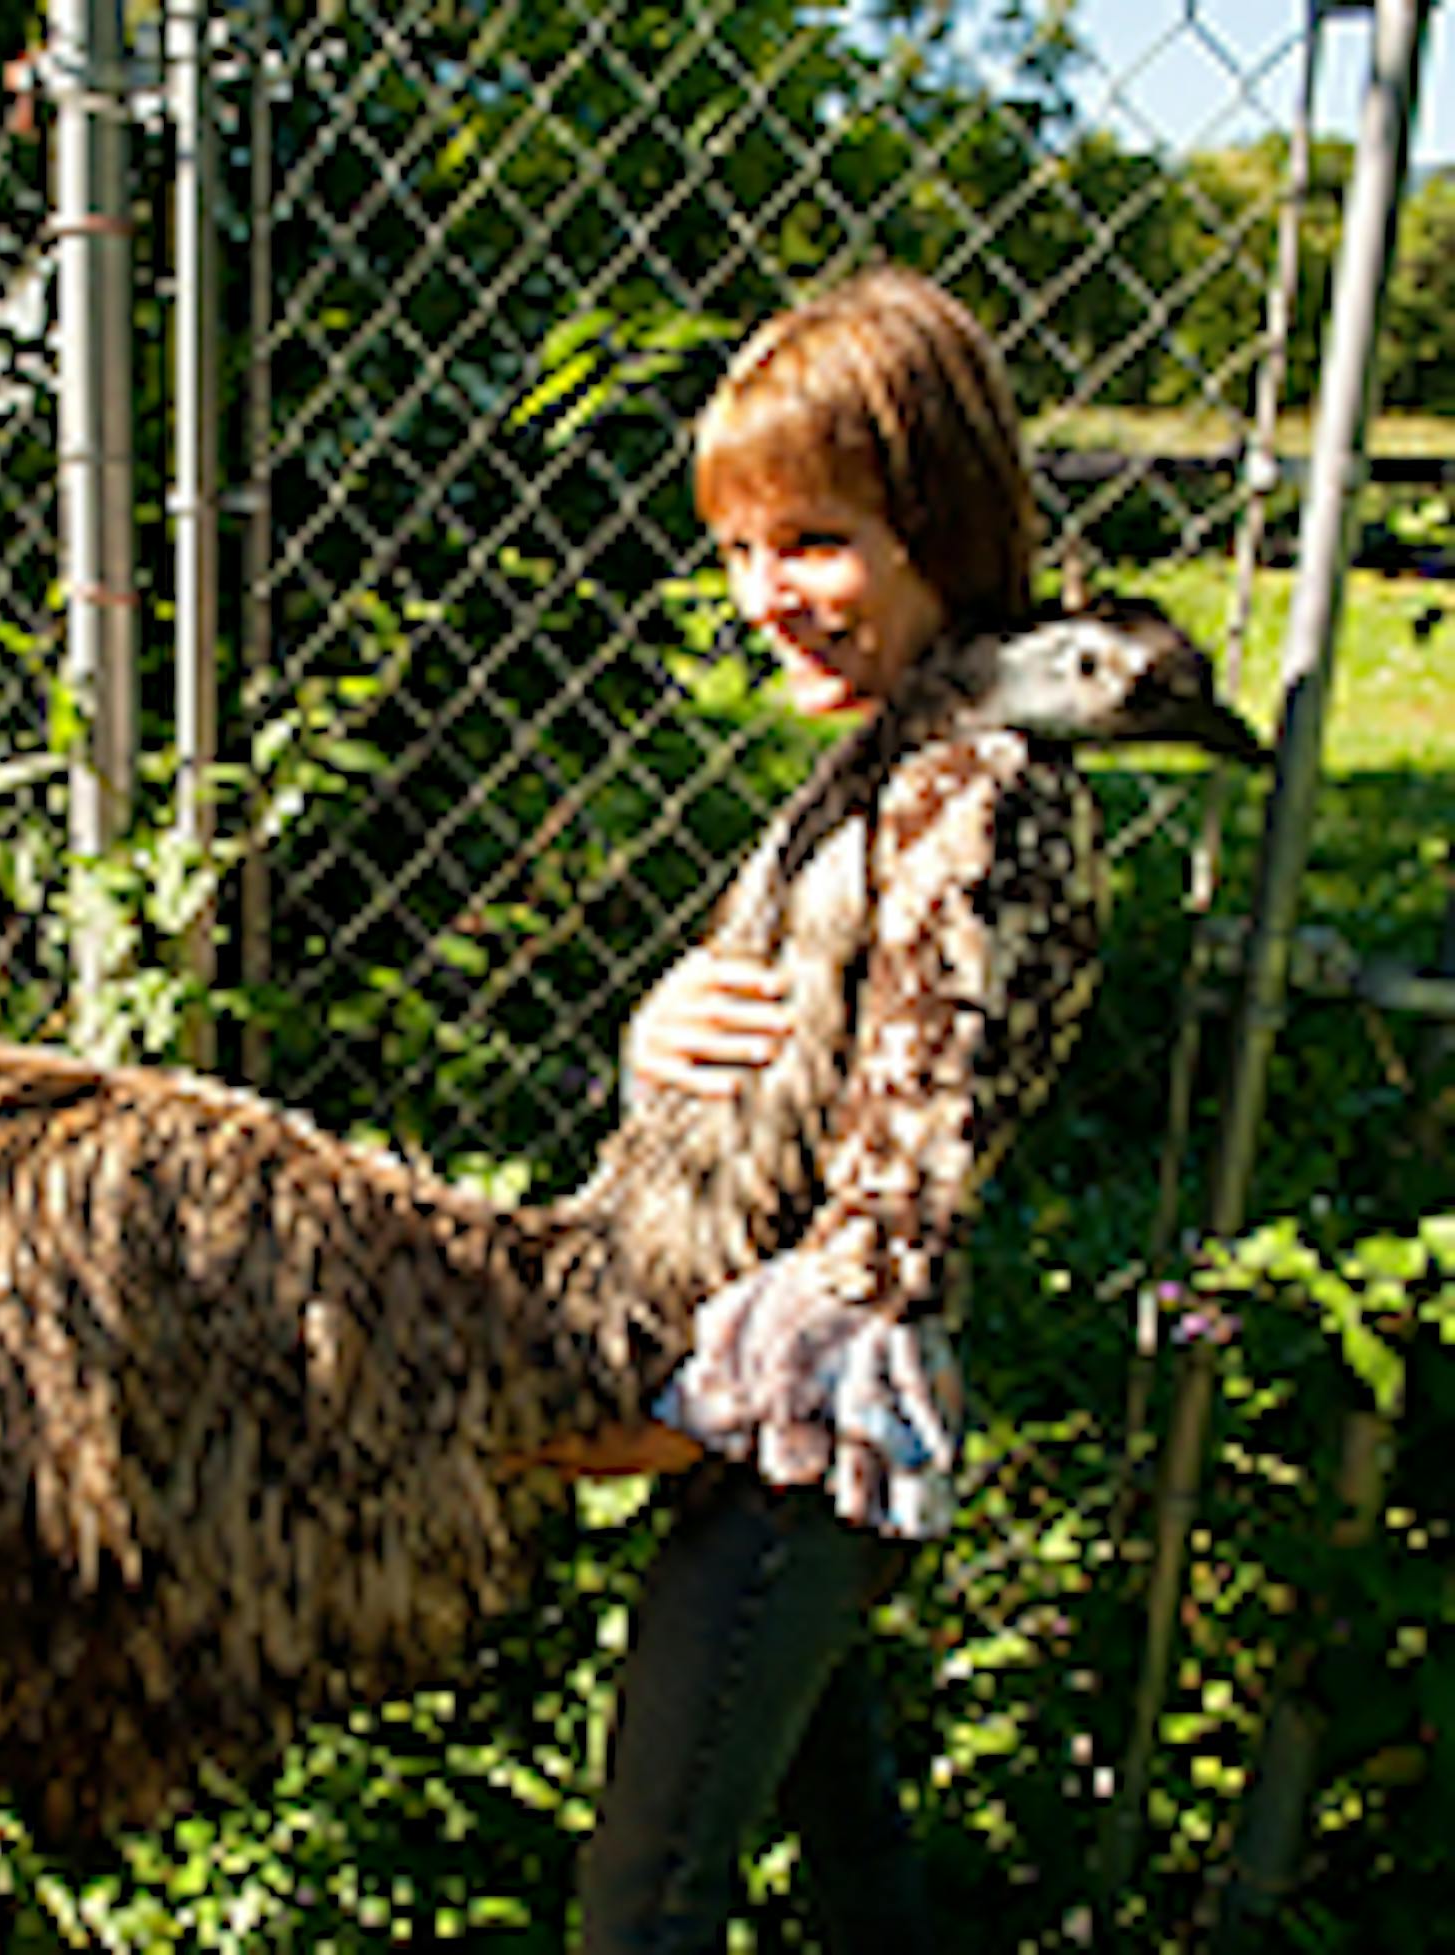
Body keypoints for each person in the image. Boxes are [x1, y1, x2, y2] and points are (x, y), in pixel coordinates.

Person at [560, 264, 1088, 1953]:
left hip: (799, 1436)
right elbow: (815, 1037)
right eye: (737, 549)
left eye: (815, 542)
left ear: (938, 521)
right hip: (769, 1408)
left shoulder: (976, 791)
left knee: (642, 1902)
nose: (765, 593)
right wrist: (659, 1036)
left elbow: (901, 1203)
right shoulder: (898, 753)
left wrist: (679, 1423)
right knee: (843, 1831)